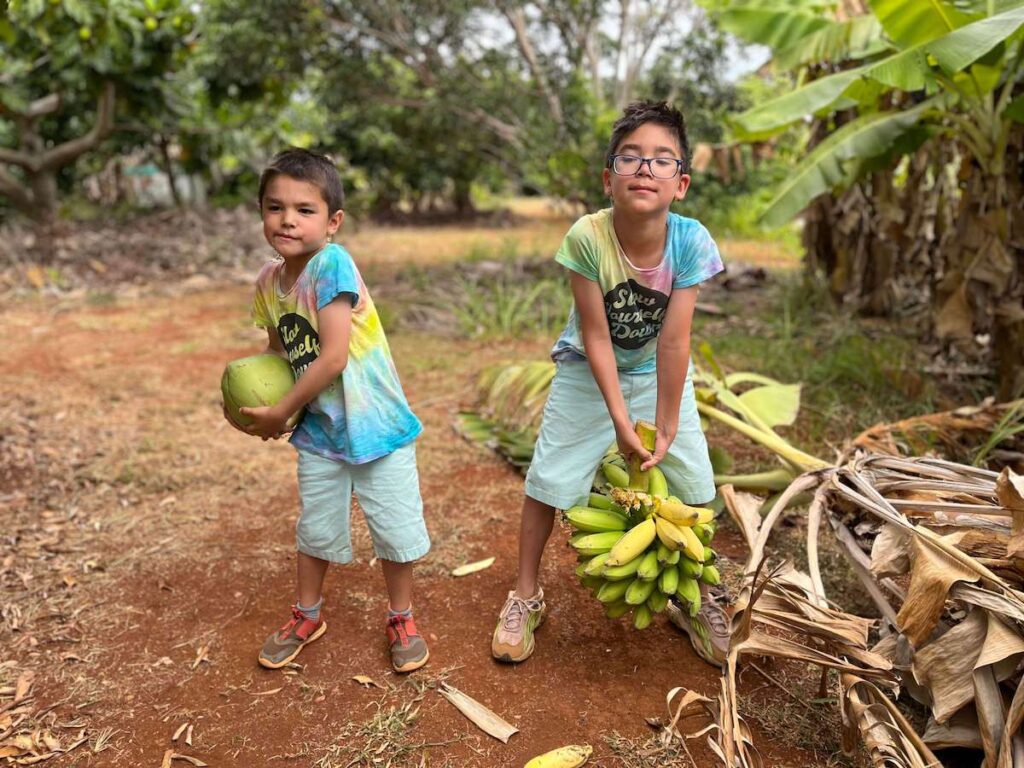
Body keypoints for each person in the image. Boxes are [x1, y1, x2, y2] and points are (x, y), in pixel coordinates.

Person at [491, 101, 729, 666]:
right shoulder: (587, 237)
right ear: (608, 177)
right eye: (631, 157)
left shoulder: (691, 243)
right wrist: (621, 423)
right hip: (585, 369)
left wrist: (667, 422)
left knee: (695, 484)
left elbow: (674, 341)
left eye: (661, 160)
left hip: (658, 371)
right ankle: (525, 595)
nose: (645, 168)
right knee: (548, 479)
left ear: (682, 184)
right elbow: (596, 336)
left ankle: (696, 596)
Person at [225, 148, 431, 673]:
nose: (287, 219)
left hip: (377, 426)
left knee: (394, 529)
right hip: (320, 431)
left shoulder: (330, 265)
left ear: (333, 222)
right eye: (275, 207)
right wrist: (260, 403)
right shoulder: (269, 282)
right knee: (316, 528)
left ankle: (401, 615)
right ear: (261, 213)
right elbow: (279, 355)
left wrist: (282, 409)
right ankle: (307, 614)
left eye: (304, 209)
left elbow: (334, 356)